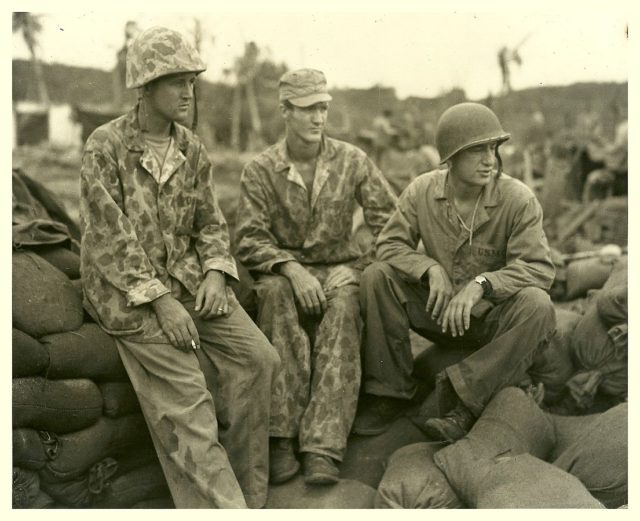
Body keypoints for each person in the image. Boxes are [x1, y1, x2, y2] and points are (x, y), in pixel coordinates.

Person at [79, 26, 279, 508]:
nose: (188, 92)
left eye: (192, 81)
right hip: (132, 298)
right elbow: (108, 236)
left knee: (259, 359)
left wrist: (214, 270)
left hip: (191, 282)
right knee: (189, 397)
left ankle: (248, 500)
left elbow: (211, 219)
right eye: (176, 82)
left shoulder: (192, 147)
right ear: (145, 88)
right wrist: (162, 301)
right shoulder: (105, 147)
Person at [353, 102, 556, 442]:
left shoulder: (518, 199)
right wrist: (428, 267)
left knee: (538, 304)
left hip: (491, 322)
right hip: (439, 312)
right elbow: (388, 245)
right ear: (450, 157)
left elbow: (538, 268)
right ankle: (390, 392)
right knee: (377, 277)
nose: (489, 159)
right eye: (477, 150)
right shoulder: (422, 190)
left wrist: (484, 283)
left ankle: (465, 403)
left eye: (493, 148)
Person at [234, 68, 397, 485]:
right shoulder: (261, 170)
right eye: (307, 109)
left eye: (323, 107)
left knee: (344, 307)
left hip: (339, 268)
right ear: (285, 111)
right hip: (282, 271)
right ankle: (280, 437)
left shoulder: (352, 160)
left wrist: (356, 268)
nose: (317, 118)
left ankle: (323, 446)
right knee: (274, 296)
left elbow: (393, 226)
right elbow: (248, 237)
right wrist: (290, 268)